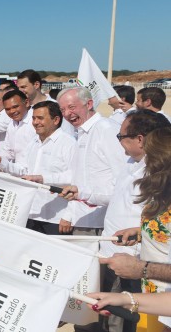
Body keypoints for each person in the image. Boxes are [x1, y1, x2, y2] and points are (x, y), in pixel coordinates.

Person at [61, 110, 170, 332]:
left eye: (121, 137)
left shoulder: (157, 173)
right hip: (123, 257)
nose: (118, 142)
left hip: (142, 267)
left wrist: (141, 267)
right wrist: (140, 231)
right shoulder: (130, 163)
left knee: (124, 324)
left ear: (141, 140)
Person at [57, 87, 126, 234]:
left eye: (71, 107)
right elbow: (78, 177)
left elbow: (123, 178)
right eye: (62, 110)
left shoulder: (106, 129)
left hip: (103, 222)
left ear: (89, 104)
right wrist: (70, 213)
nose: (67, 114)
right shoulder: (81, 133)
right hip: (83, 218)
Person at [9, 101, 77, 235]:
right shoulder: (33, 143)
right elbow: (24, 170)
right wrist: (1, 163)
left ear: (56, 120)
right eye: (33, 118)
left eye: (40, 118)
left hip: (57, 218)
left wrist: (69, 216)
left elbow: (75, 178)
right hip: (31, 213)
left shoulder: (69, 144)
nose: (35, 122)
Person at [0, 90, 36, 173]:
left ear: (26, 103)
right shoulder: (12, 124)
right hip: (19, 173)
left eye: (15, 107)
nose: (12, 111)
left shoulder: (35, 122)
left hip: (35, 176)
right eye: (8, 109)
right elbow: (8, 152)